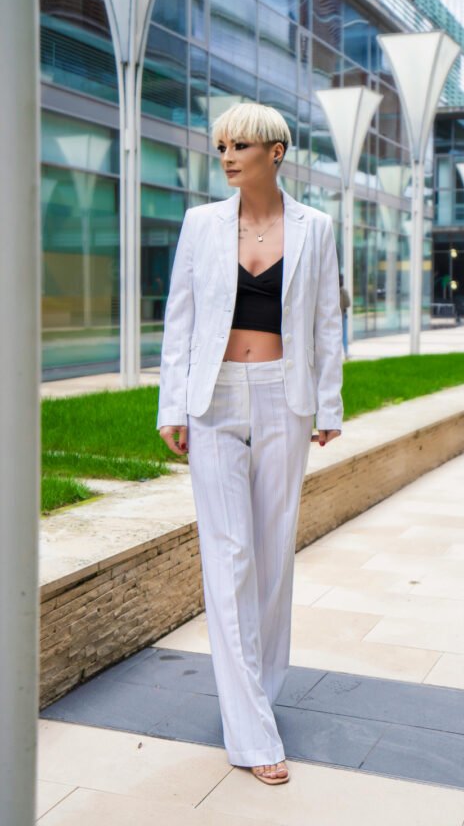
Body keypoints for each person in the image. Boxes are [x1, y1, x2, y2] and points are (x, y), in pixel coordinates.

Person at [156, 102, 343, 786]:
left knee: (271, 555)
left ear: (277, 153)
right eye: (222, 145)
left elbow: (326, 322)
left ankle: (257, 693)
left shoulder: (315, 229)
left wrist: (329, 404)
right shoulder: (200, 225)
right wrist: (170, 405)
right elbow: (180, 320)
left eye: (241, 144)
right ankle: (251, 731)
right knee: (228, 556)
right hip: (213, 400)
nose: (228, 155)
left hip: (283, 398)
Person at [338, 272, 351, 358]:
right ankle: (345, 353)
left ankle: (345, 353)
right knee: (344, 336)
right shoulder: (342, 291)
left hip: (340, 316)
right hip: (341, 316)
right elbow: (348, 303)